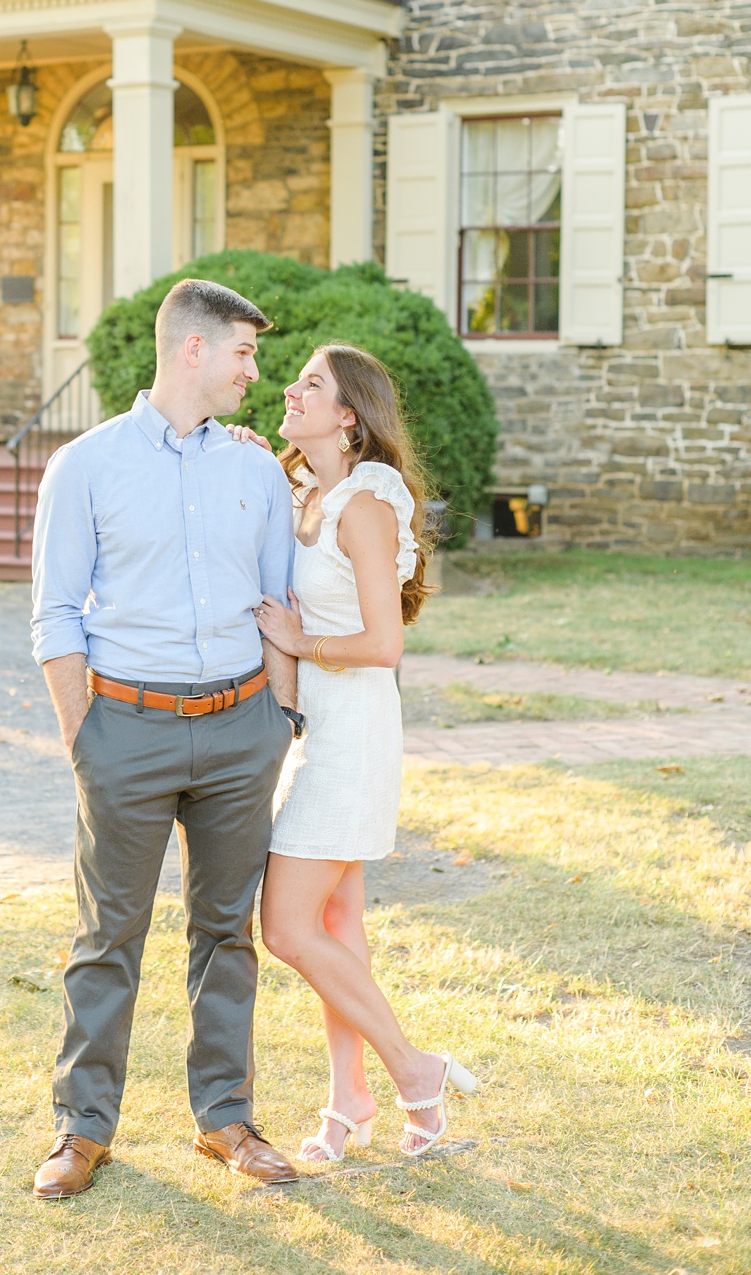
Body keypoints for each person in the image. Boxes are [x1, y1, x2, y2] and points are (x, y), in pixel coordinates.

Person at [26, 277, 304, 1200]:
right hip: (126, 731)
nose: (252, 373)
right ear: (193, 349)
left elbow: (280, 606)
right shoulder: (87, 465)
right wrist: (87, 737)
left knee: (226, 934)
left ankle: (227, 1119)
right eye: (243, 353)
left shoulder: (257, 469)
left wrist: (282, 720)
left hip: (239, 733)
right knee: (109, 934)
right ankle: (81, 1129)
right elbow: (56, 614)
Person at [251, 343, 478, 1162]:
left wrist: (299, 641)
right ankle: (349, 1098)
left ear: (349, 416)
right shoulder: (311, 492)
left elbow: (385, 642)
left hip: (353, 735)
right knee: (337, 921)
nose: (291, 387)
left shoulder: (367, 506)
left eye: (312, 384)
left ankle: (418, 1072)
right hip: (320, 730)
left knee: (284, 927)